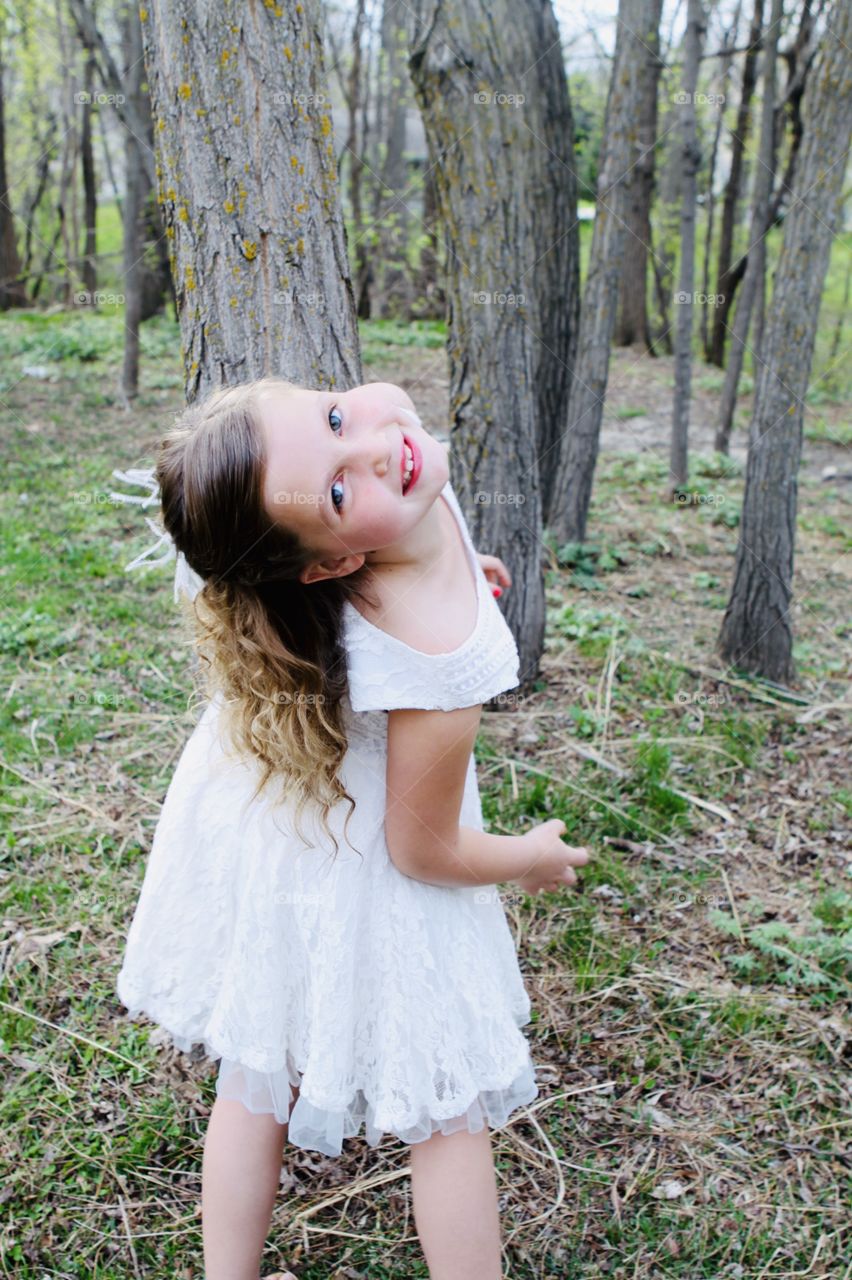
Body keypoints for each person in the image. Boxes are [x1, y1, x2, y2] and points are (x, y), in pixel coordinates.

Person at [111, 377, 590, 1280]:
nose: (371, 449)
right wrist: (527, 856)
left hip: (288, 809)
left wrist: (466, 565)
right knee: (444, 1103)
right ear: (329, 567)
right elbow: (426, 847)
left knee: (258, 1067)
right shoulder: (445, 649)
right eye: (337, 489)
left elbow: (393, 493)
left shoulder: (394, 473)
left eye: (334, 415)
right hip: (365, 848)